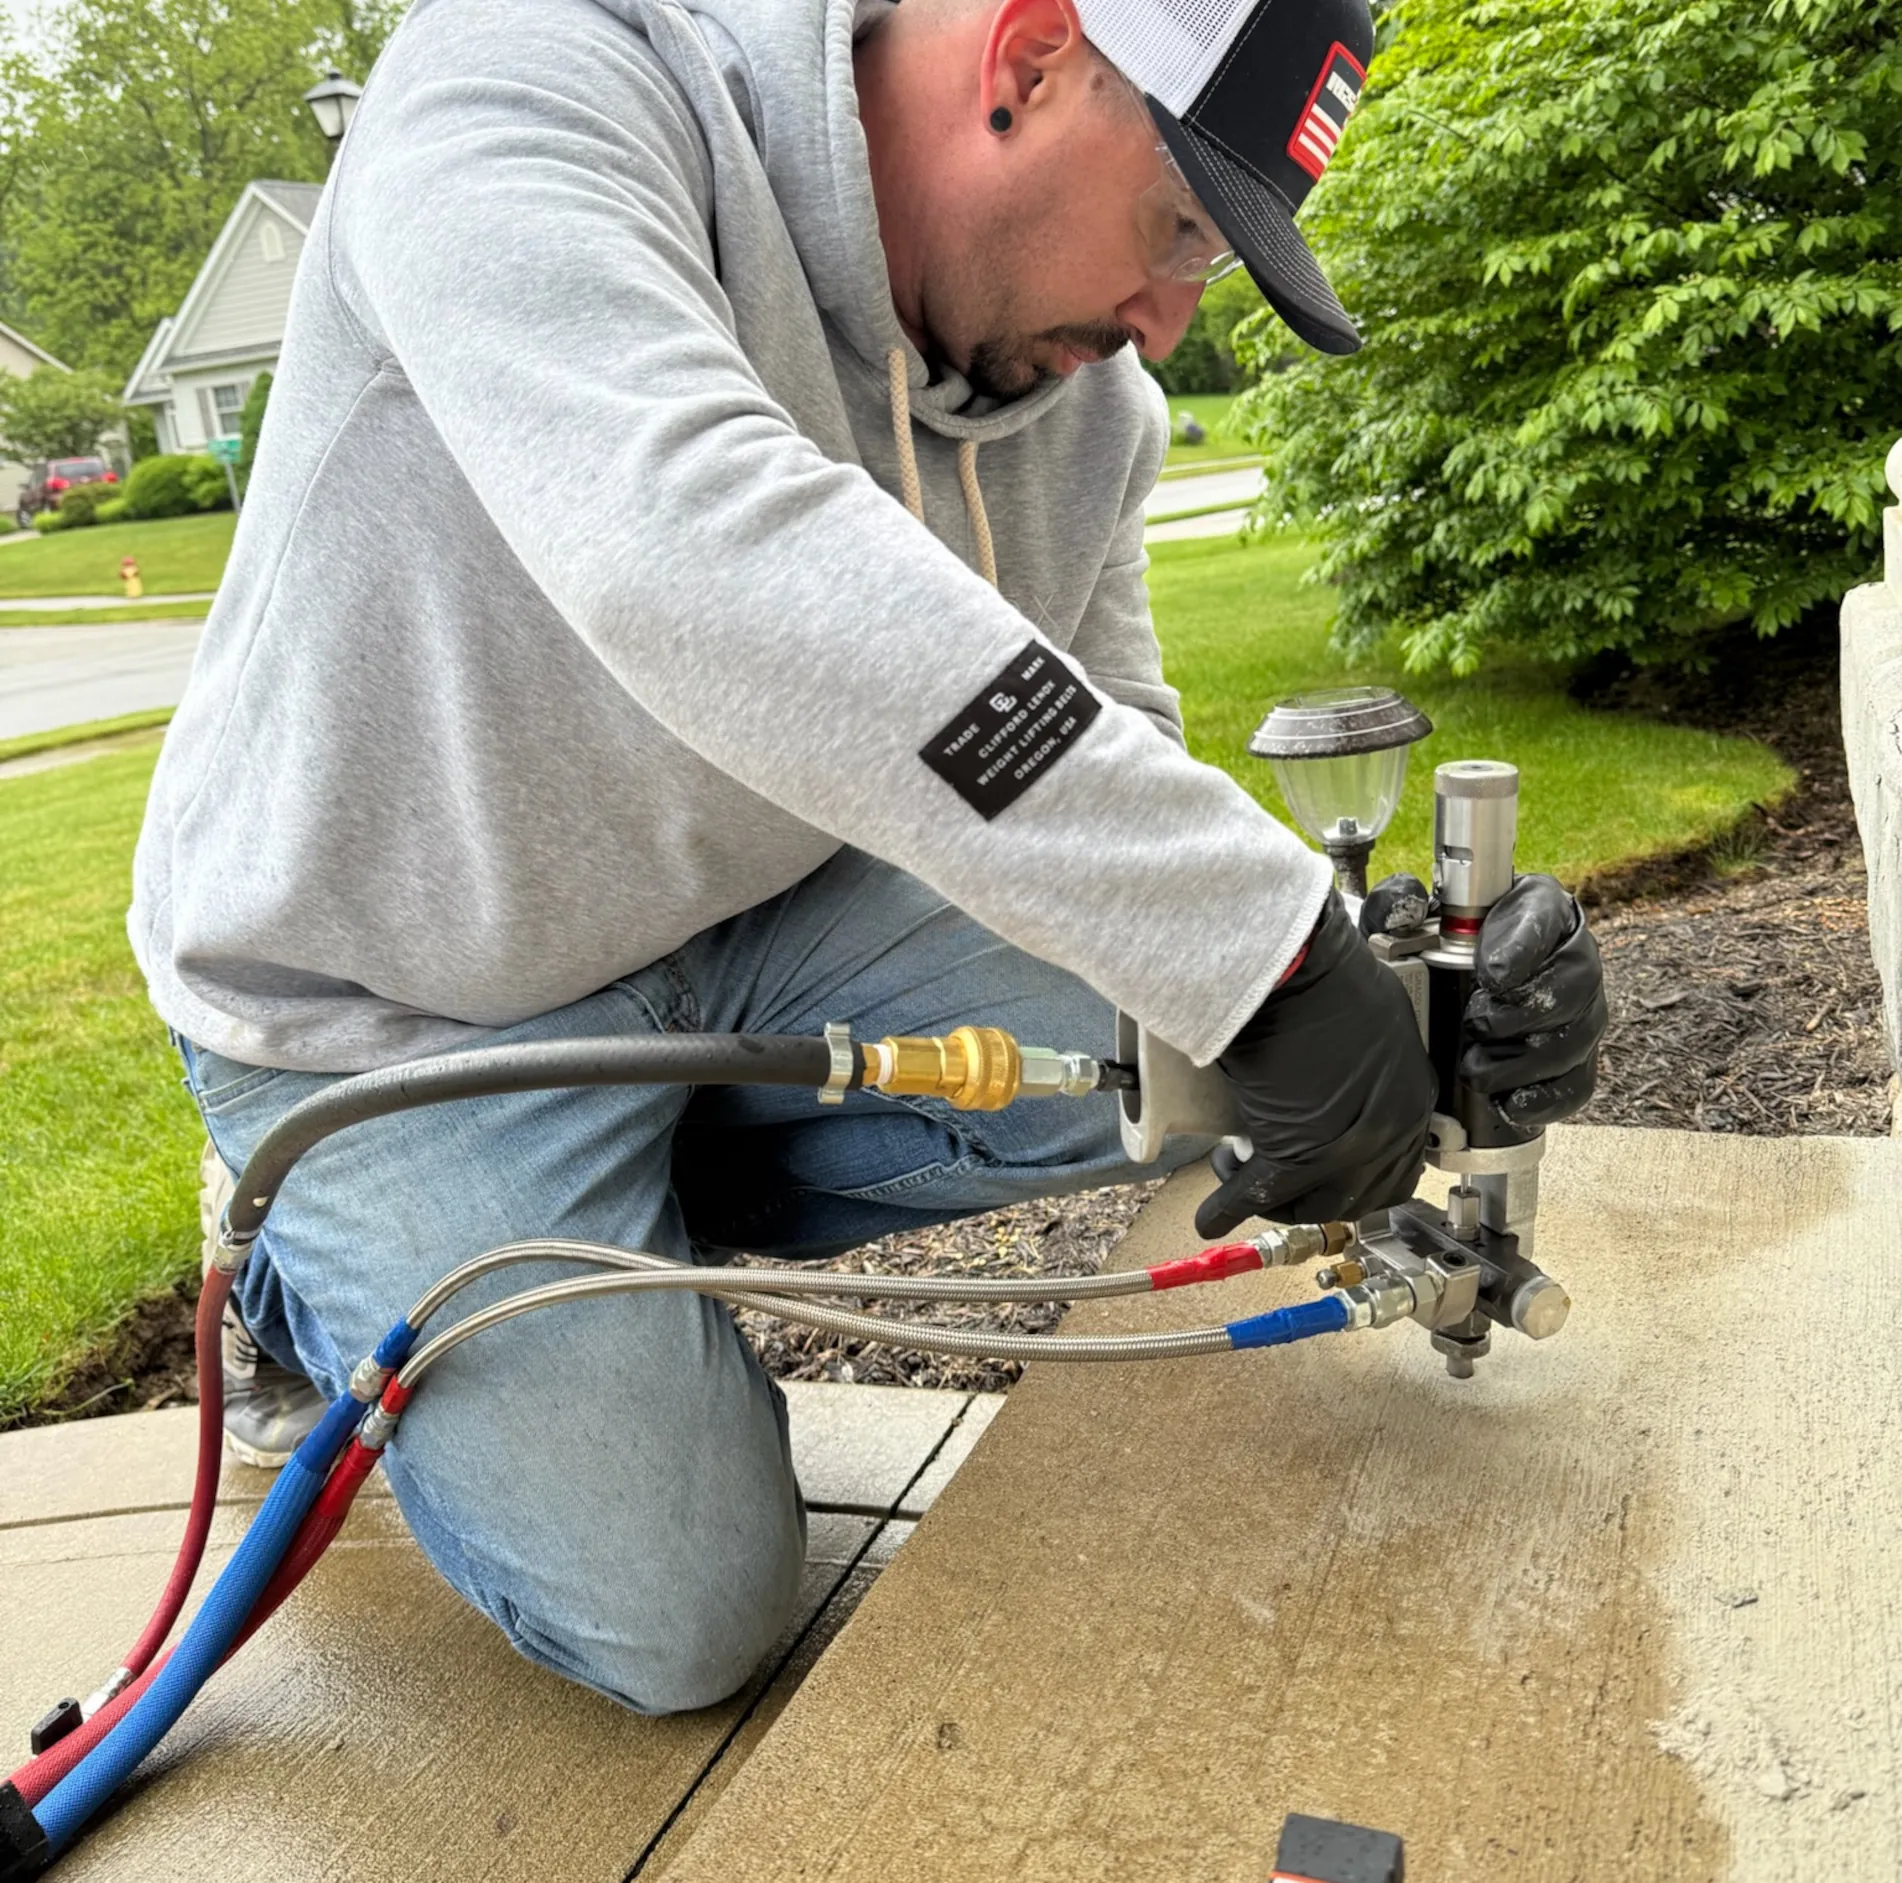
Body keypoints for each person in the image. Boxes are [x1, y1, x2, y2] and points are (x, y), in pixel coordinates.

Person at [131, 0, 1602, 1712]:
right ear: (1032, 55)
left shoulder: (1079, 411)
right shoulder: (539, 76)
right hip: (396, 998)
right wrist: (1261, 943)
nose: (1165, 322)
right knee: (679, 1611)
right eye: (1179, 227)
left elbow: (1106, 781)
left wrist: (1388, 986)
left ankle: (638, 1208)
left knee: (1180, 1053)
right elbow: (679, 534)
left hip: (760, 913)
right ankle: (319, 1289)